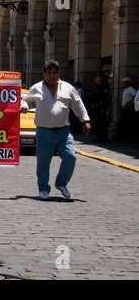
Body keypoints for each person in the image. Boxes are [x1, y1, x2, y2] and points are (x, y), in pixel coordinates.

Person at [20, 60, 91, 200]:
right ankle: (43, 188)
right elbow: (27, 100)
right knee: (43, 161)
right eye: (49, 73)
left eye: (55, 73)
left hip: (64, 131)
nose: (52, 75)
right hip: (44, 131)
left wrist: (85, 120)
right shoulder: (36, 88)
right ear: (44, 74)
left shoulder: (68, 88)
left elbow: (77, 104)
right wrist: (24, 107)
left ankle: (61, 183)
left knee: (70, 157)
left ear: (59, 73)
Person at [92, 73, 110, 143]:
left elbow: (105, 98)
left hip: (102, 107)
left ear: (101, 78)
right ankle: (99, 136)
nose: (95, 78)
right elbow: (94, 95)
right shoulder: (97, 86)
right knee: (97, 122)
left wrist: (103, 108)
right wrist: (93, 102)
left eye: (97, 77)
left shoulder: (104, 86)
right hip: (97, 106)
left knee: (102, 122)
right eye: (95, 77)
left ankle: (104, 137)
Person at [118, 77, 137, 143]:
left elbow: (136, 96)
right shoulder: (125, 90)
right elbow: (123, 100)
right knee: (122, 123)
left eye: (124, 82)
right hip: (124, 107)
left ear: (128, 83)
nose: (122, 84)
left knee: (126, 123)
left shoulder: (131, 89)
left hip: (128, 108)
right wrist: (120, 108)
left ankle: (127, 138)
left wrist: (131, 103)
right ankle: (123, 138)